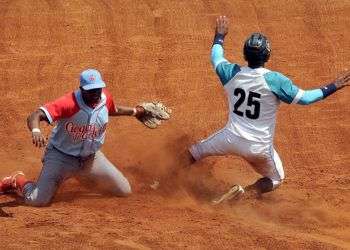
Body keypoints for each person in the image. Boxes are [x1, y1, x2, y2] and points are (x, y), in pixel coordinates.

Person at [188, 16, 350, 204]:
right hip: (259, 148)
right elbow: (306, 98)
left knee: (194, 152)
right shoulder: (275, 80)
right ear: (267, 56)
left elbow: (216, 57)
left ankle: (162, 180)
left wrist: (219, 36)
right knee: (276, 178)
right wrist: (334, 85)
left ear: (245, 54)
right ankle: (243, 193)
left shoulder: (231, 73)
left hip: (229, 138)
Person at [0, 69, 169, 206]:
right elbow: (35, 115)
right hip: (61, 158)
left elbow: (113, 109)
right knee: (37, 200)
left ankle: (82, 175)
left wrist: (137, 111)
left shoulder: (104, 97)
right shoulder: (68, 103)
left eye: (98, 88)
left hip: (91, 158)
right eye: (91, 90)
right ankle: (17, 180)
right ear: (82, 89)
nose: (96, 93)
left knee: (124, 190)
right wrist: (36, 131)